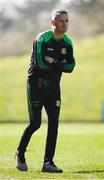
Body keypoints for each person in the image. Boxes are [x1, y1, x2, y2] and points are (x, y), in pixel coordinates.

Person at [15, 9, 75, 173]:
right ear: (53, 23)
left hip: (54, 88)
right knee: (35, 124)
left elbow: (71, 66)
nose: (65, 24)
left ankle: (48, 163)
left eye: (67, 21)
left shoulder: (67, 43)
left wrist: (53, 61)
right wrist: (60, 63)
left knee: (54, 124)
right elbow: (41, 63)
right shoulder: (41, 39)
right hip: (36, 86)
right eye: (61, 21)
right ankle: (20, 153)